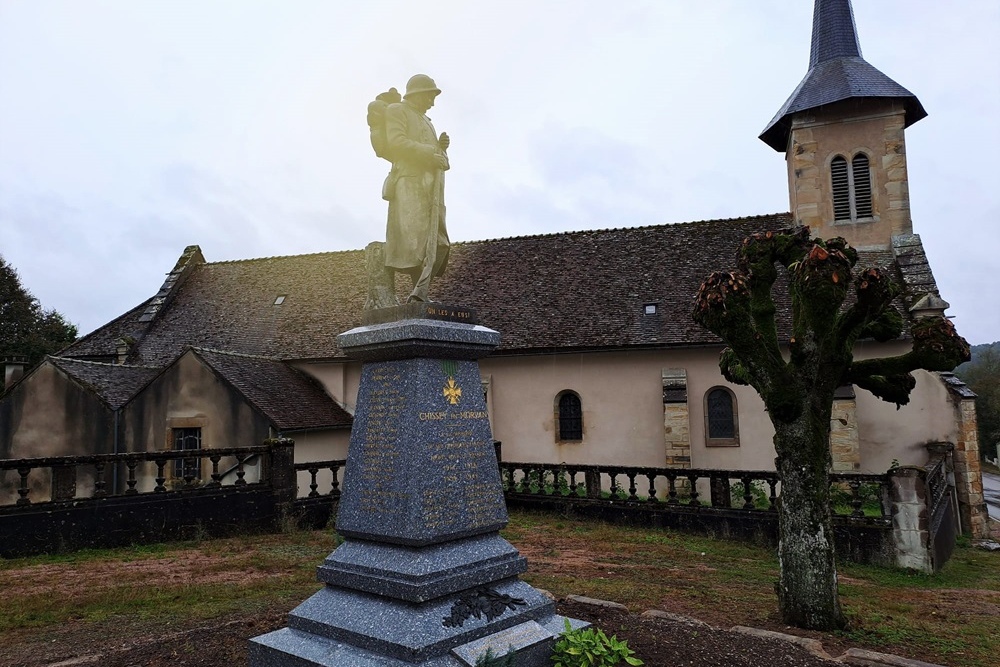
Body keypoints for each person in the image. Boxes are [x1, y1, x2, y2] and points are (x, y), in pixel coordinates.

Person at [382, 74, 451, 303]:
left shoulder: (427, 122)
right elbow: (397, 143)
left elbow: (438, 160)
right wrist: (431, 153)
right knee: (416, 244)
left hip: (432, 188)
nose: (432, 102)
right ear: (418, 94)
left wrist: (441, 150)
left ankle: (419, 293)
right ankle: (417, 293)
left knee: (440, 243)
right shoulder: (397, 111)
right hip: (409, 183)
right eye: (430, 96)